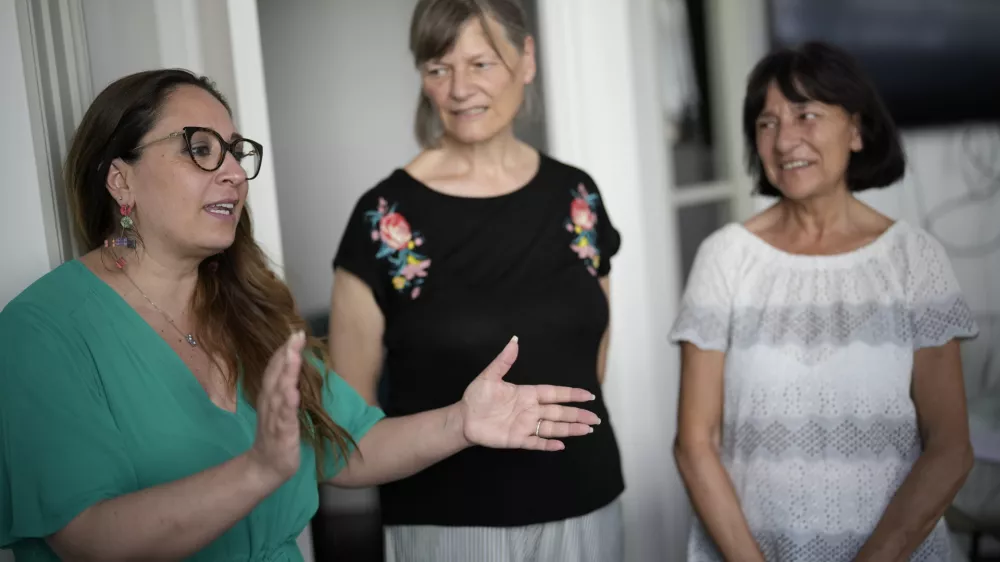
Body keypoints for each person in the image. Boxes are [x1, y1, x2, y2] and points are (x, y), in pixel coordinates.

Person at [0, 68, 603, 562]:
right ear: (119, 179)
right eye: (201, 150)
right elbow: (88, 540)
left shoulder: (251, 307)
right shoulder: (43, 331)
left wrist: (462, 422)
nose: (234, 172)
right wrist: (256, 470)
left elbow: (350, 445)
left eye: (236, 153)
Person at [329, 0, 626, 560]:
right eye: (438, 68)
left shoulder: (577, 197)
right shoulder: (383, 218)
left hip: (589, 504)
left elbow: (593, 360)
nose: (459, 88)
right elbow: (346, 441)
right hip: (449, 525)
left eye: (481, 63)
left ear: (527, 58)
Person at [671, 42, 979, 562]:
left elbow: (950, 449)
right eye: (766, 123)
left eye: (806, 115)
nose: (785, 138)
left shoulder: (914, 260)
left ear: (856, 130)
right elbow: (694, 445)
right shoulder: (725, 258)